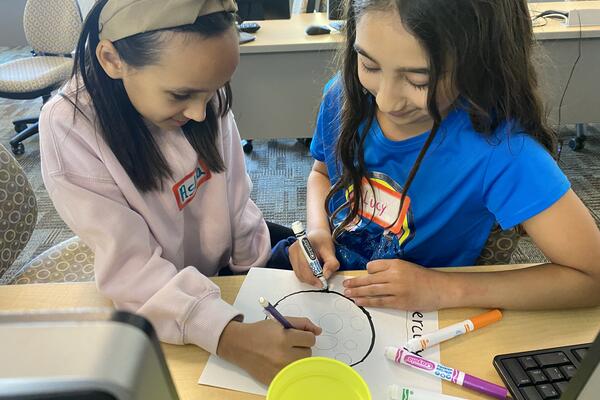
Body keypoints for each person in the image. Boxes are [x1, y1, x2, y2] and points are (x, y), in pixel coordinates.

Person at [39, 0, 320, 384]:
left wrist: (265, 264)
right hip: (160, 294)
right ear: (112, 59)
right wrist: (226, 335)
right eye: (179, 95)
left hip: (214, 275)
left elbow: (237, 201)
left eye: (214, 91)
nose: (202, 113)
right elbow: (132, 268)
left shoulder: (200, 96)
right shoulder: (72, 127)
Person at [288, 0, 600, 311]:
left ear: (478, 64)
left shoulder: (501, 152)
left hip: (422, 318)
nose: (385, 101)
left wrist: (443, 289)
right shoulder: (345, 97)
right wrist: (318, 229)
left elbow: (592, 277)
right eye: (369, 65)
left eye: (418, 80)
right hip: (334, 285)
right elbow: (323, 172)